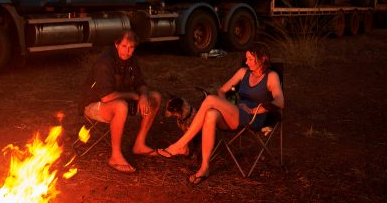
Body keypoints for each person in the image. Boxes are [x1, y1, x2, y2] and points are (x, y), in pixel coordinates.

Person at [157, 43, 284, 185]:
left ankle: (181, 144)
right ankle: (204, 168)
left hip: (253, 118)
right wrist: (226, 106)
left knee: (210, 100)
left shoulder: (271, 76)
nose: (246, 61)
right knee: (211, 114)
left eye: (249, 58)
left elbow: (280, 102)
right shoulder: (243, 72)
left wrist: (255, 110)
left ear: (261, 59)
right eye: (246, 58)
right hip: (235, 114)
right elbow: (222, 91)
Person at [78, 31, 162, 173]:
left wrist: (143, 96)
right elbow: (106, 97)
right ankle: (115, 156)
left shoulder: (131, 60)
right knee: (121, 106)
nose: (127, 51)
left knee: (155, 97)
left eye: (131, 47)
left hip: (119, 99)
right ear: (116, 44)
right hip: (93, 104)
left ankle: (139, 144)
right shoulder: (104, 62)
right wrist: (135, 96)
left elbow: (141, 83)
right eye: (124, 46)